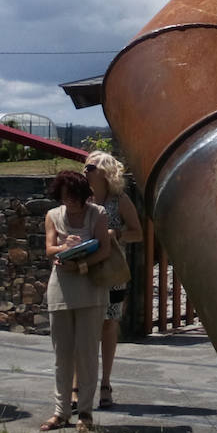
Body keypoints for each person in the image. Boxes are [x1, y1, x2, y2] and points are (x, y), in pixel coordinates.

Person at [41, 168, 109, 433]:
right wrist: (64, 248)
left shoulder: (98, 214)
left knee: (87, 353)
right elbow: (48, 249)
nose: (69, 201)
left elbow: (103, 249)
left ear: (83, 195)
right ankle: (61, 412)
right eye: (64, 196)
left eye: (73, 196)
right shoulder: (52, 216)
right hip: (60, 288)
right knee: (62, 354)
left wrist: (81, 264)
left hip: (90, 289)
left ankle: (85, 412)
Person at [81, 151, 142, 408]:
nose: (84, 170)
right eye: (84, 166)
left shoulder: (120, 200)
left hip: (111, 274)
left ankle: (105, 383)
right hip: (83, 270)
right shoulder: (81, 198)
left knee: (108, 325)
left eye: (90, 166)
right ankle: (78, 386)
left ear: (104, 172)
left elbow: (138, 233)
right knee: (82, 328)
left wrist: (116, 233)